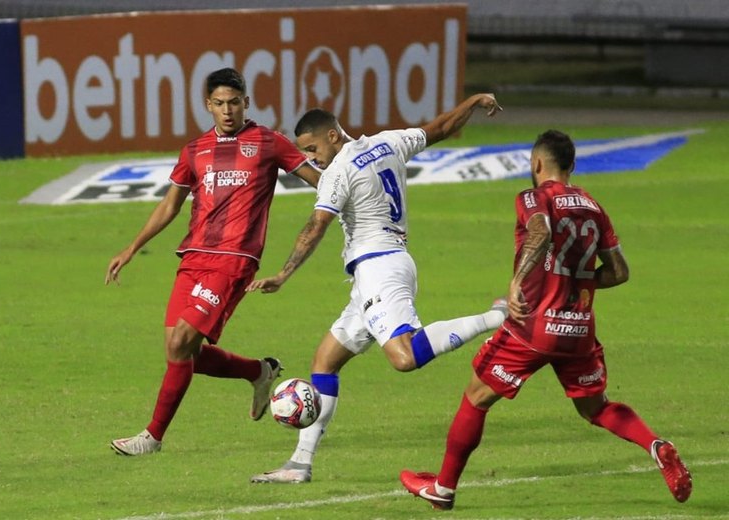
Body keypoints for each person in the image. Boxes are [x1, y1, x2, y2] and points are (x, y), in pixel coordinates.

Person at [399, 130, 692, 510]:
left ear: (537, 164)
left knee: (476, 398)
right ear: (572, 166)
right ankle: (657, 445)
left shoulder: (533, 197)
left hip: (533, 328)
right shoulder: (593, 205)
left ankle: (443, 488)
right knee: (595, 407)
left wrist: (518, 283)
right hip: (579, 330)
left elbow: (540, 231)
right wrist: (576, 283)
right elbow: (619, 271)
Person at [245, 93, 505, 483]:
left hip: (378, 271)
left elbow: (315, 227)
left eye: (313, 149)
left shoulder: (338, 171)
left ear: (333, 135)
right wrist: (473, 101)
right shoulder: (389, 141)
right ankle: (299, 464)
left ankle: (497, 316)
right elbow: (441, 129)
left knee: (403, 357)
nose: (312, 159)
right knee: (325, 361)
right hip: (383, 267)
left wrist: (283, 274)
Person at [105, 67, 321, 456]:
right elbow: (170, 204)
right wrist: (132, 247)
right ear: (208, 105)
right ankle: (259, 371)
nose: (227, 111)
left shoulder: (268, 142)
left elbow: (319, 179)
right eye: (219, 104)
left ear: (247, 103)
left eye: (234, 103)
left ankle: (152, 437)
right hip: (194, 256)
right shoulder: (194, 150)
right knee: (179, 349)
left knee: (185, 340)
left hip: (235, 259)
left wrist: (354, 192)